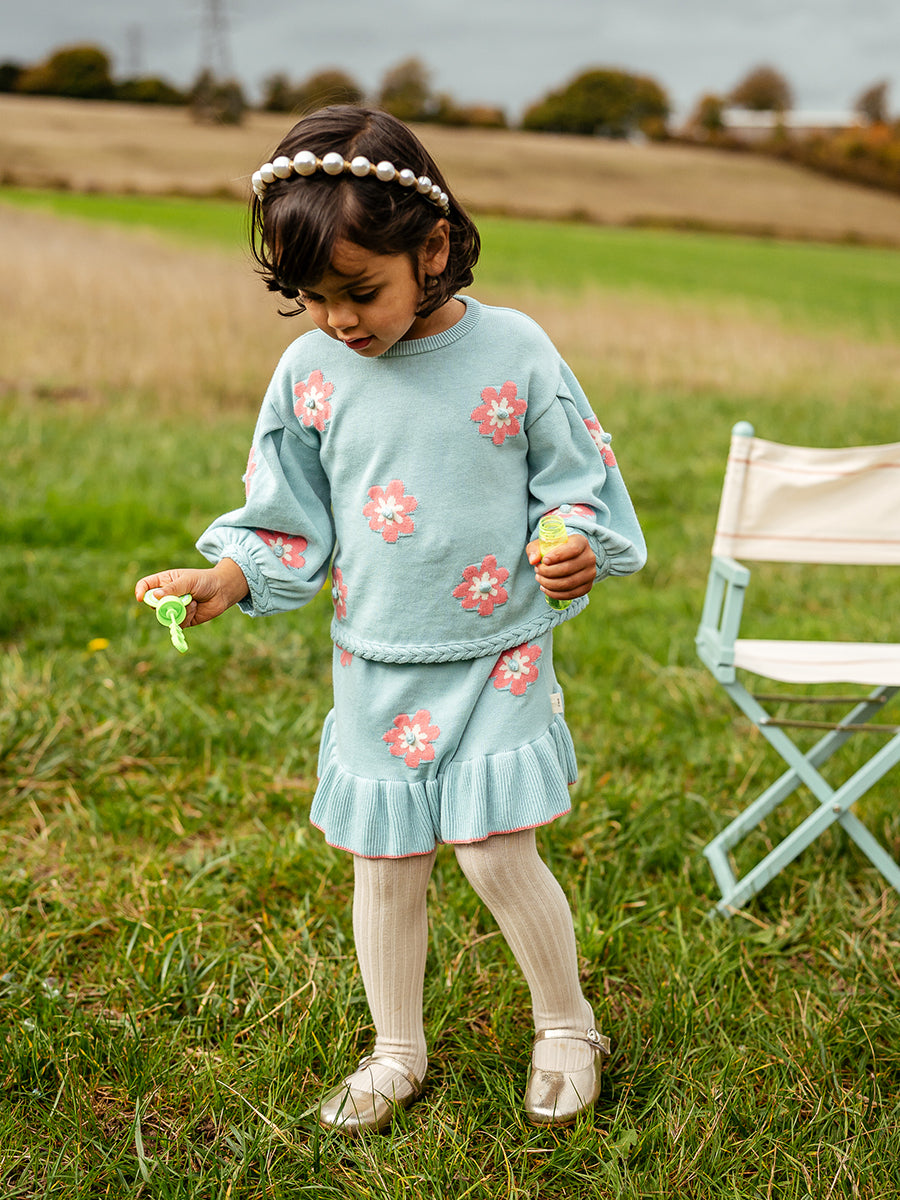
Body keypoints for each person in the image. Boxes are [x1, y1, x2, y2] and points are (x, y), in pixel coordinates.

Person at [135, 105, 646, 1132]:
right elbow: (289, 514)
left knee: (494, 850)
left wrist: (572, 542)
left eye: (361, 291)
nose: (340, 320)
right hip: (376, 661)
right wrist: (228, 576)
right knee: (386, 860)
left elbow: (575, 484)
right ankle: (397, 1051)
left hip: (498, 653)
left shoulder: (514, 350)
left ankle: (566, 1026)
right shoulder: (310, 375)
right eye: (314, 298)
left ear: (434, 248)